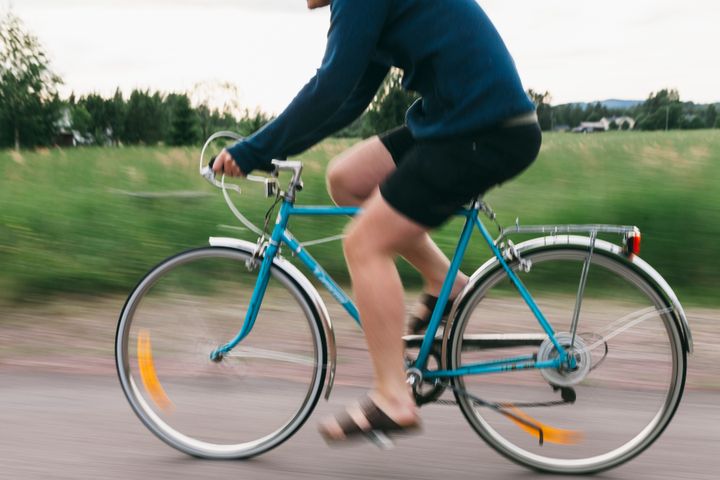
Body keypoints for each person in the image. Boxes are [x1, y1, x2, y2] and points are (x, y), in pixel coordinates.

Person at [212, 0, 541, 444]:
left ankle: (392, 397)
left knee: (364, 244)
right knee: (347, 180)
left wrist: (251, 151)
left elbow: (330, 86)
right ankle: (449, 283)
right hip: (460, 121)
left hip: (482, 131)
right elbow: (349, 98)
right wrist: (271, 152)